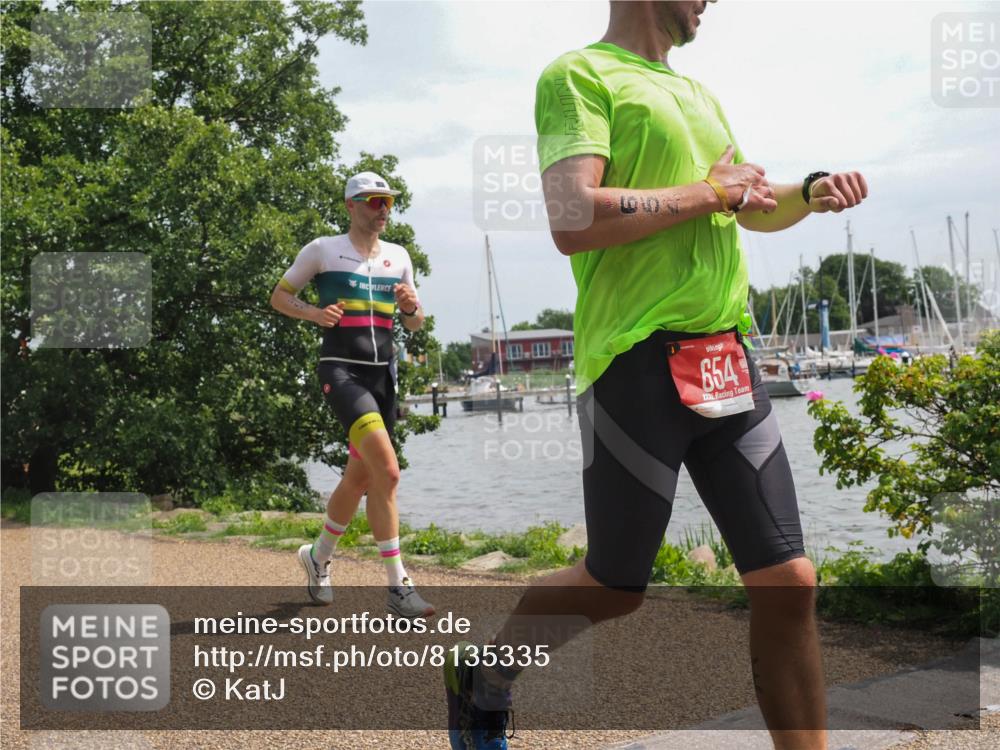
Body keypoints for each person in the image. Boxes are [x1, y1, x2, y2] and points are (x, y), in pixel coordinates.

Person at [444, 2, 868, 748]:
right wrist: (711, 192)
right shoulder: (580, 75)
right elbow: (574, 218)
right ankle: (484, 673)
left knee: (789, 581)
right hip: (636, 361)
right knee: (615, 587)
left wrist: (808, 191)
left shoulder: (700, 94)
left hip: (725, 358)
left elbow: (750, 208)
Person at [270, 171, 434, 619]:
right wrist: (314, 313)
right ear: (351, 206)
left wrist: (409, 307)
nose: (383, 210)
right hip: (341, 372)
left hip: (385, 378)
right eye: (373, 202)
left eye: (388, 202)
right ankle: (398, 588)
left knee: (361, 478)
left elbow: (416, 321)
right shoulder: (323, 250)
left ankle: (318, 556)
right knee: (389, 471)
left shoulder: (399, 257)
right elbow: (280, 297)